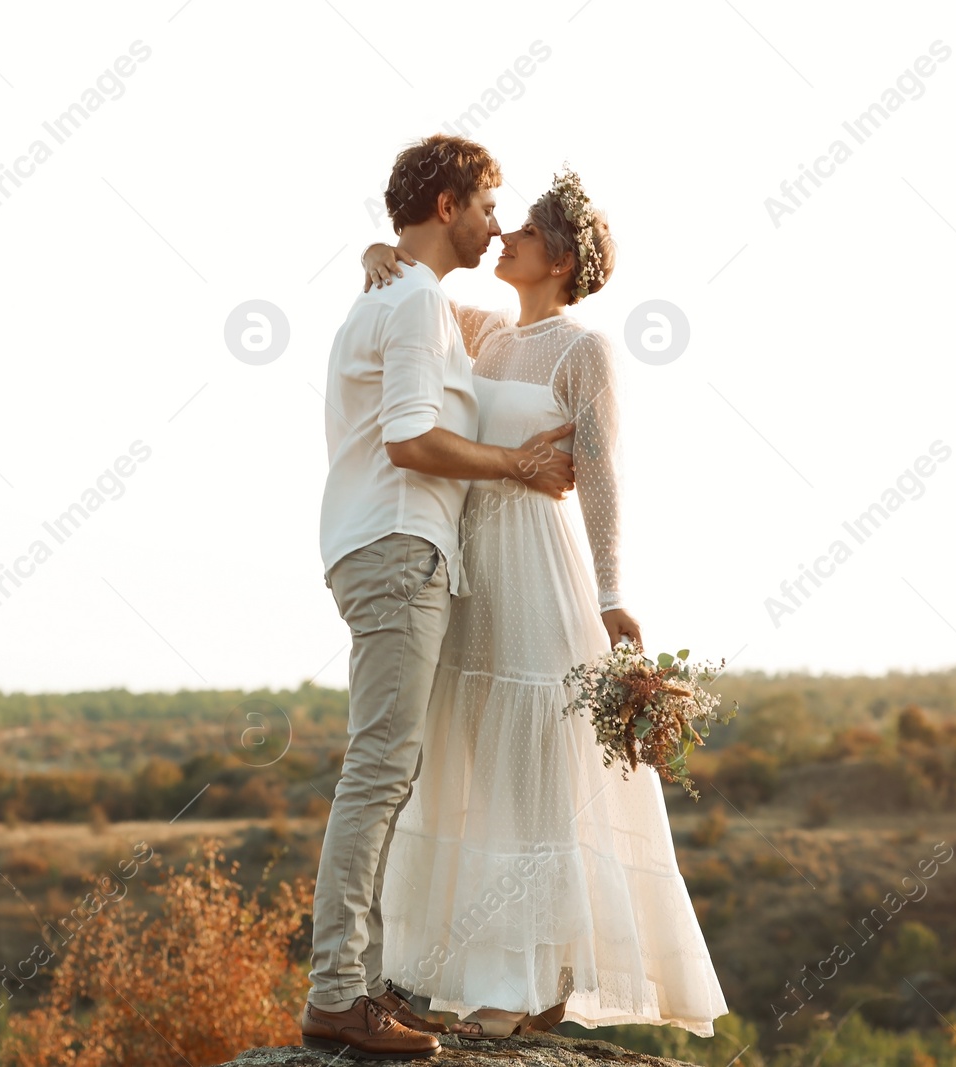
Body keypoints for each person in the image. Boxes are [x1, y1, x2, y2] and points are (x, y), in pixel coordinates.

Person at [360, 167, 730, 1038]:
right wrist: (380, 248)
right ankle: (504, 970)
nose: (505, 238)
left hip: (537, 566)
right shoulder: (485, 334)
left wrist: (611, 594)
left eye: (524, 231)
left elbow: (600, 473)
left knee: (536, 782)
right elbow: (413, 284)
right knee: (482, 773)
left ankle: (532, 980)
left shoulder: (582, 350)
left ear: (560, 260)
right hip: (470, 566)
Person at [304, 133, 579, 1060]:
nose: (497, 223)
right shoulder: (413, 300)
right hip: (396, 545)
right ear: (448, 202)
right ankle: (339, 992)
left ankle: (361, 984)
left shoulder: (396, 292)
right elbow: (412, 438)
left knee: (389, 768)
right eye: (487, 204)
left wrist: (374, 253)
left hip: (381, 546)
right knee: (381, 768)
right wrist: (517, 465)